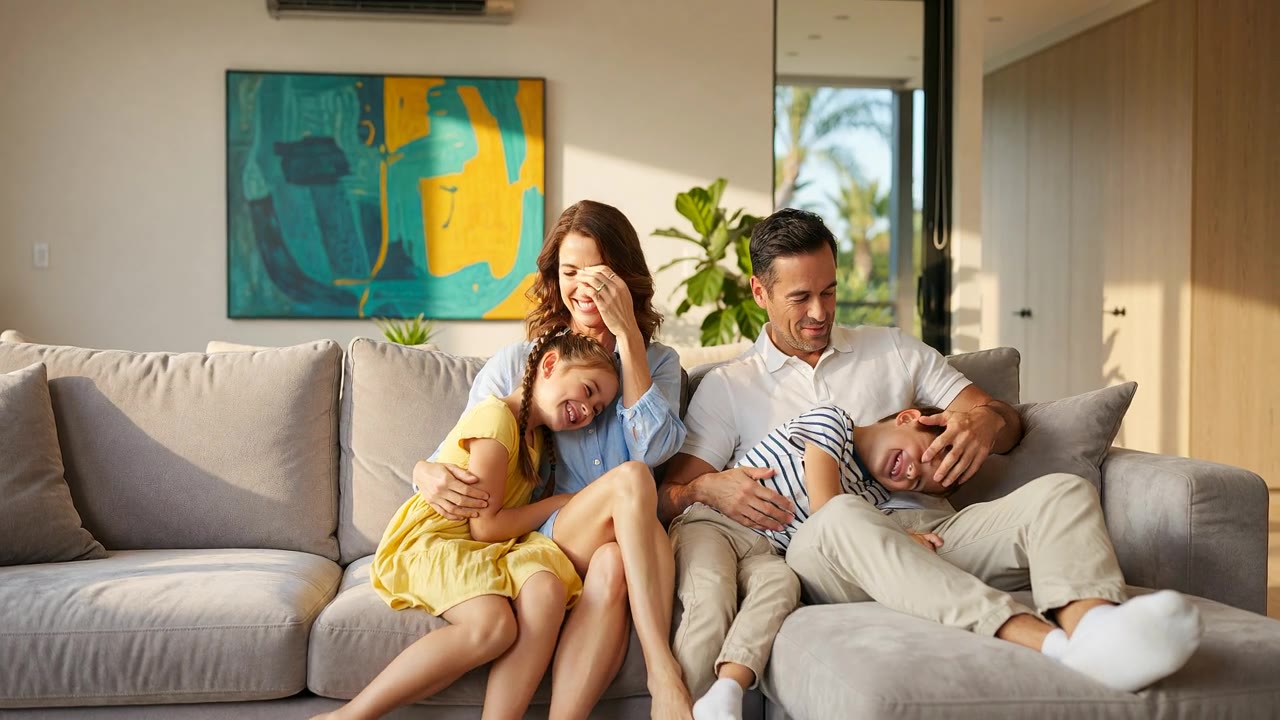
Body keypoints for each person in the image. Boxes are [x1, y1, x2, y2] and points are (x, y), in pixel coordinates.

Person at [659, 209, 1202, 720]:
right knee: (840, 516)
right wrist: (707, 488)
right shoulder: (731, 385)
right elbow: (671, 496)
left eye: (829, 291)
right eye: (800, 298)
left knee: (1061, 492)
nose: (821, 312)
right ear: (760, 292)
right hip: (827, 554)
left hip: (934, 533)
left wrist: (986, 424)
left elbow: (1002, 421)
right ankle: (1047, 642)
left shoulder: (892, 350)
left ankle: (1097, 631)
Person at [415, 200, 693, 719]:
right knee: (630, 478)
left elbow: (656, 448)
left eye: (598, 274)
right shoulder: (520, 364)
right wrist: (421, 470)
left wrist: (629, 336)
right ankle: (662, 669)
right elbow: (461, 447)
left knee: (613, 558)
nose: (583, 287)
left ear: (624, 277)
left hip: (623, 544)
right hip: (548, 535)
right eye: (570, 273)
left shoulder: (660, 363)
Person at [315, 331, 619, 720]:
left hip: (484, 544)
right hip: (438, 538)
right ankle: (348, 716)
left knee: (546, 587)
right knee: (494, 627)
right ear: (548, 366)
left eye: (598, 407)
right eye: (589, 390)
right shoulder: (496, 419)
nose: (590, 409)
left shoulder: (536, 440)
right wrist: (559, 503)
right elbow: (486, 527)